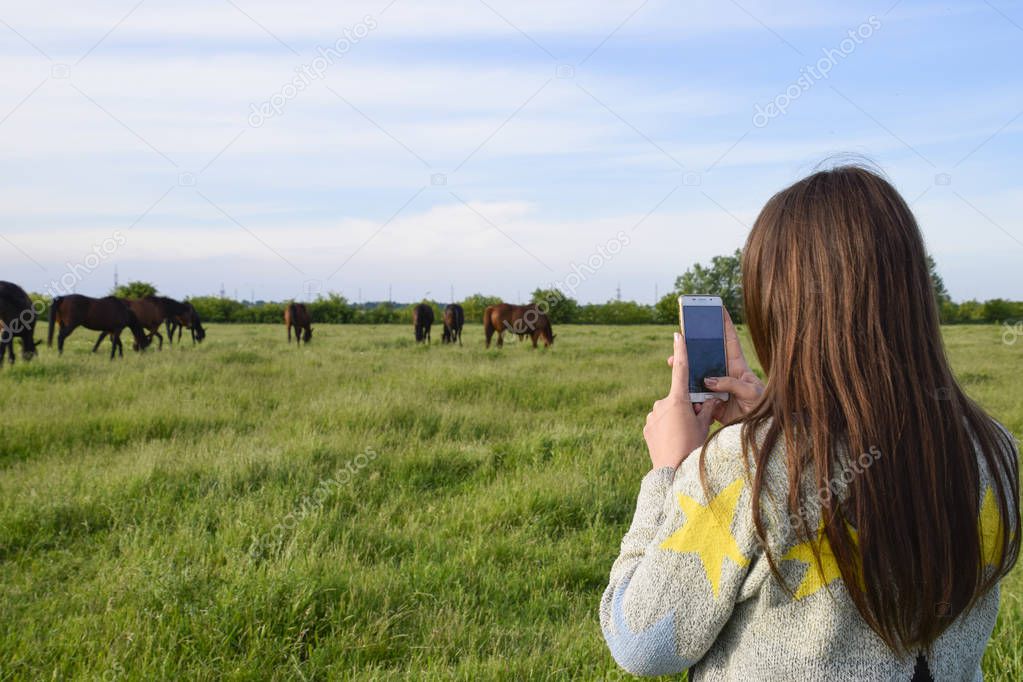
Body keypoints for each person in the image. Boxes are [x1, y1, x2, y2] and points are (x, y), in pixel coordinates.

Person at [600, 165, 1019, 680]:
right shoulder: (994, 449)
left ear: (779, 309)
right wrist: (780, 420)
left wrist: (671, 472)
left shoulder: (743, 466)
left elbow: (642, 641)